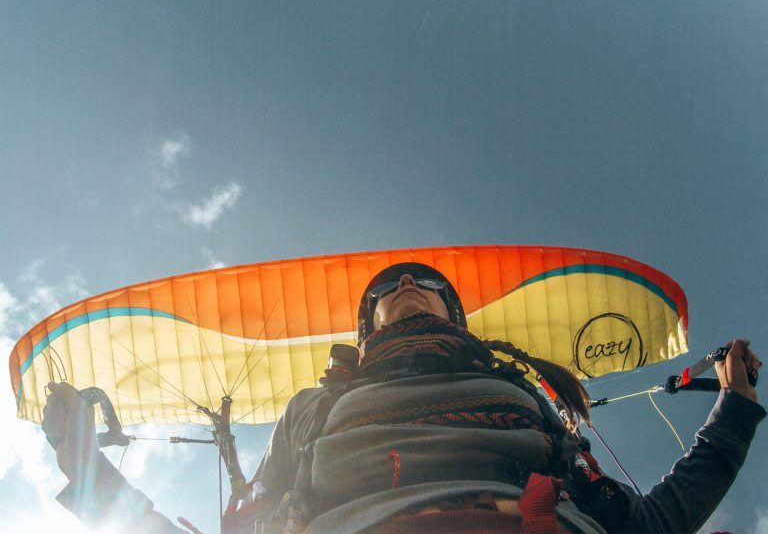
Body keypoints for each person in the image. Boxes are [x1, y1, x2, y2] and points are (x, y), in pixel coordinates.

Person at [43, 262, 765, 534]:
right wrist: (89, 466)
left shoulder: (526, 395)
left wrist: (732, 407)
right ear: (367, 328)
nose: (404, 286)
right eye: (385, 290)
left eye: (424, 284)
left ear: (455, 313)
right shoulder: (314, 409)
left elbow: (650, 524)